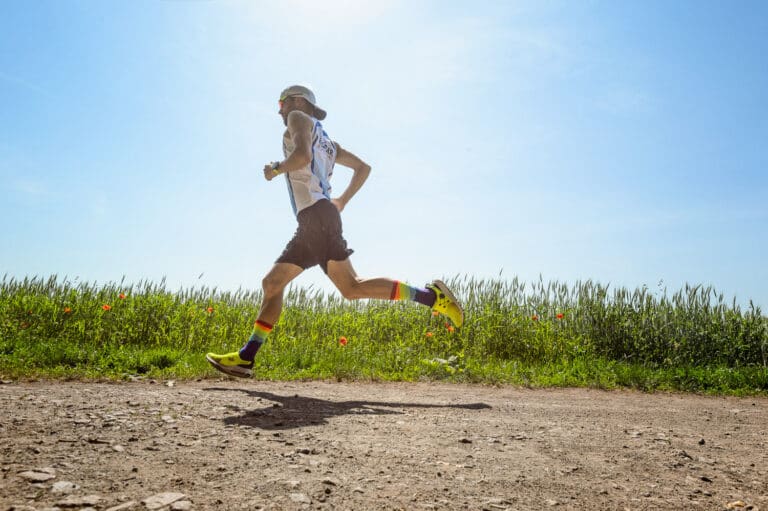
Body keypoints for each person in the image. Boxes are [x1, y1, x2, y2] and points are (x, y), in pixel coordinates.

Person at [206, 85, 463, 378]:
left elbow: (302, 156)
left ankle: (246, 358)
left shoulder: (298, 118)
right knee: (342, 287)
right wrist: (341, 200)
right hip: (320, 215)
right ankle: (431, 298)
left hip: (316, 217)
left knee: (276, 283)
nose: (280, 109)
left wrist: (276, 168)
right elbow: (363, 168)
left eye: (282, 102)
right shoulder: (329, 142)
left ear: (298, 101)